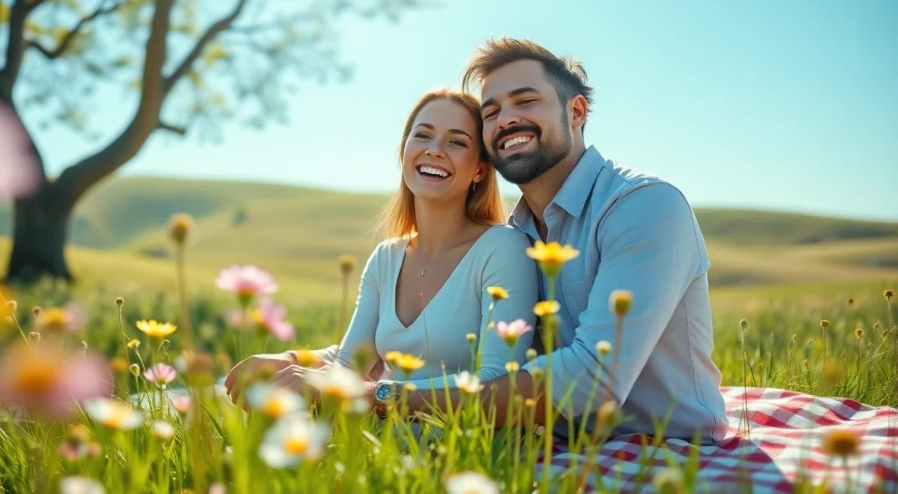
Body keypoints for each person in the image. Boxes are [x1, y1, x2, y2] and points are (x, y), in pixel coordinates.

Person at [228, 38, 728, 445]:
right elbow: (365, 353)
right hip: (558, 441)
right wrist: (296, 363)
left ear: (577, 111)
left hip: (663, 447)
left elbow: (591, 379)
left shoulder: (643, 207)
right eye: (491, 111)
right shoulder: (519, 230)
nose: (506, 118)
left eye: (525, 100)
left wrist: (374, 397)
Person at [226, 88, 541, 395]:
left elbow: (498, 382)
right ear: (404, 151)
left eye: (457, 141)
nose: (434, 149)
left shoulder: (503, 248)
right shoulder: (386, 258)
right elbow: (350, 365)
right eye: (422, 135)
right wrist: (287, 361)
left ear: (480, 171)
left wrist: (377, 394)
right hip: (381, 442)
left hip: (462, 444)